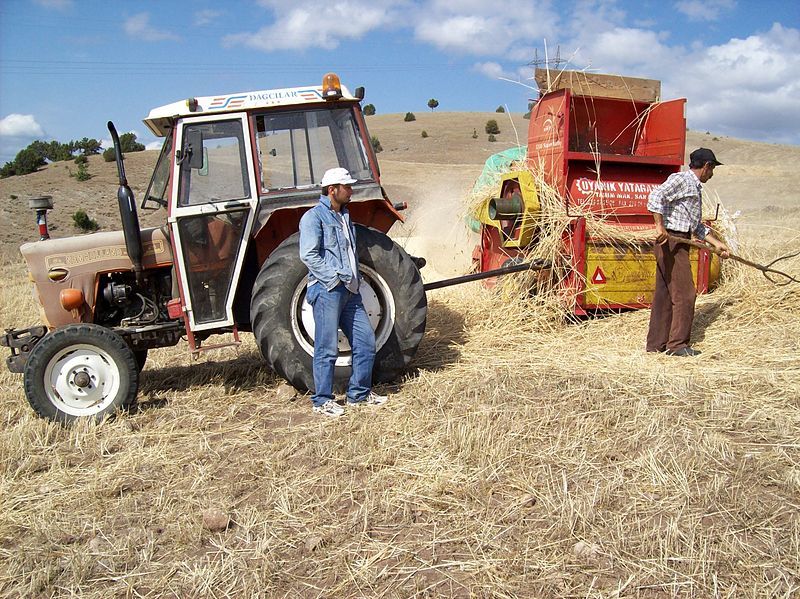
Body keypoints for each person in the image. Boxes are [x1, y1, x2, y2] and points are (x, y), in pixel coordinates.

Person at [298, 167, 388, 416]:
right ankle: (322, 401)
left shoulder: (345, 216)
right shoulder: (313, 218)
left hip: (351, 290)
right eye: (347, 187)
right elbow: (308, 255)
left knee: (366, 342)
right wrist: (335, 278)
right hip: (328, 290)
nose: (351, 191)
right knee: (326, 348)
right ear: (332, 190)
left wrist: (351, 281)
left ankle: (358, 394)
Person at [646, 148, 731, 357]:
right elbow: (656, 195)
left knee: (665, 295)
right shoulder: (682, 179)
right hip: (671, 240)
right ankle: (677, 346)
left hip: (679, 239)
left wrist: (716, 244)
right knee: (685, 294)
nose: (712, 175)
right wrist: (659, 227)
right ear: (706, 166)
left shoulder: (694, 187)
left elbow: (697, 227)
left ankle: (657, 345)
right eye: (712, 170)